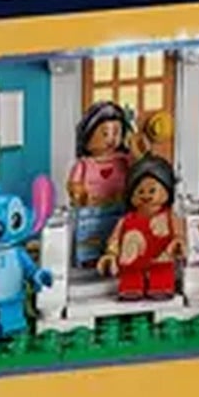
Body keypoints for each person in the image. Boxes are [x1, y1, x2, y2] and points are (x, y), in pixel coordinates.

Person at [66, 100, 137, 270]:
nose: (111, 139)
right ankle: (89, 260)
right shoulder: (84, 164)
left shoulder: (124, 160)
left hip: (120, 209)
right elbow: (74, 184)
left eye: (116, 132)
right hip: (92, 212)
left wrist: (136, 147)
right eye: (105, 133)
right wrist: (80, 194)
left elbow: (139, 170)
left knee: (117, 236)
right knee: (91, 240)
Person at [103, 156, 185, 301]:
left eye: (152, 190)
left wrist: (178, 243)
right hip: (132, 262)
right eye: (140, 191)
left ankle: (161, 286)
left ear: (167, 191)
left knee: (161, 273)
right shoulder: (127, 220)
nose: (146, 195)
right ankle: (131, 287)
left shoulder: (170, 217)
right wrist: (111, 254)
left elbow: (179, 233)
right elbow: (115, 239)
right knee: (130, 276)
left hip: (161, 258)